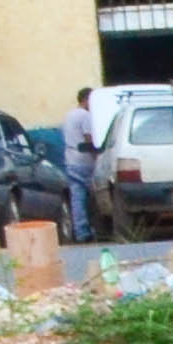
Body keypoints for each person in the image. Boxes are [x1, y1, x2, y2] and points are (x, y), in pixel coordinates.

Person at [57, 90, 99, 242]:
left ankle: (80, 232)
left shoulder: (68, 115)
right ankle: (96, 229)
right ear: (86, 99)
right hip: (84, 160)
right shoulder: (85, 116)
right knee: (94, 196)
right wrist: (97, 157)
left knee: (77, 197)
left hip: (71, 159)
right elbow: (89, 139)